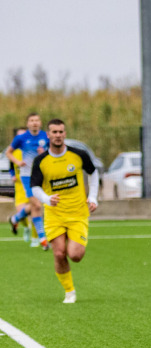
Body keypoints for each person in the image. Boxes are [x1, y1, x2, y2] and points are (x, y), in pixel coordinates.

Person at [30, 119, 99, 303]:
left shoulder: (79, 155)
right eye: (54, 132)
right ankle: (69, 291)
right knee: (59, 253)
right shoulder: (41, 161)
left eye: (61, 132)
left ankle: (71, 239)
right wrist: (47, 199)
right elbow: (35, 187)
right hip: (54, 215)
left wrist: (92, 197)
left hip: (77, 213)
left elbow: (93, 174)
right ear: (48, 135)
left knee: (75, 255)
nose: (58, 135)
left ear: (65, 133)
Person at [6, 113, 50, 250]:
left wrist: (44, 152)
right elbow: (9, 152)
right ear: (28, 124)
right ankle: (42, 239)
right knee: (36, 204)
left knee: (36, 206)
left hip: (42, 175)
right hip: (27, 176)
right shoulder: (21, 138)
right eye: (32, 120)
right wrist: (18, 162)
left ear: (40, 123)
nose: (34, 123)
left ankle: (15, 218)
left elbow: (52, 152)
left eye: (37, 120)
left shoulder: (45, 136)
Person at [7, 127, 36, 244]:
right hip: (19, 187)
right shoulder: (13, 152)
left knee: (35, 209)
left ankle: (36, 239)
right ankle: (26, 227)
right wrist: (13, 175)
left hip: (32, 186)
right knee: (22, 213)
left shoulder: (32, 151)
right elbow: (10, 166)